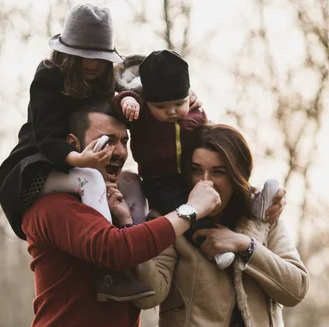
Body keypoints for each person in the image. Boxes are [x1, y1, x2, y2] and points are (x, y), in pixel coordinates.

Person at [15, 101, 221, 327]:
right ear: (73, 145)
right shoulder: (54, 205)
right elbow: (115, 249)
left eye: (125, 140)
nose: (121, 151)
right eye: (108, 140)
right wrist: (190, 211)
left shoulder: (121, 200)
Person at [134, 124, 310, 327]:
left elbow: (296, 288)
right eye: (196, 170)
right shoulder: (169, 221)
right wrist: (136, 230)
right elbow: (148, 295)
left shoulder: (263, 220)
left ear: (238, 175)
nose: (206, 182)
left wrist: (245, 246)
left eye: (218, 172)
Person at [0, 4, 153, 302]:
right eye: (85, 58)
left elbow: (136, 84)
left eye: (99, 59)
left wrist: (181, 97)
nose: (92, 65)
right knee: (90, 181)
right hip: (37, 167)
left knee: (128, 182)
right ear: (68, 54)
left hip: (78, 159)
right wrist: (80, 160)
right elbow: (46, 137)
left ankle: (134, 255)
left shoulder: (104, 80)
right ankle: (108, 271)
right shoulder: (48, 78)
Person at [114, 50, 280, 271]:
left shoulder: (194, 112)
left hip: (187, 173)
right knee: (190, 210)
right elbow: (118, 104)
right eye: (161, 108)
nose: (171, 112)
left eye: (178, 103)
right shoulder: (143, 115)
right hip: (160, 180)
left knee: (219, 185)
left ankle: (254, 202)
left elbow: (213, 145)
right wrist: (128, 100)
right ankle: (211, 245)